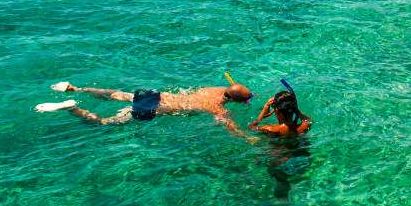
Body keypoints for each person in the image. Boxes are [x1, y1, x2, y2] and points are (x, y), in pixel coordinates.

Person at [34, 78, 254, 138]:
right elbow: (229, 125)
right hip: (154, 109)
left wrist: (239, 95)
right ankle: (70, 108)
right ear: (234, 100)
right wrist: (247, 137)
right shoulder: (216, 107)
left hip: (156, 95)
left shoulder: (215, 89)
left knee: (116, 94)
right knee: (104, 123)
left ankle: (75, 88)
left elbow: (233, 91)